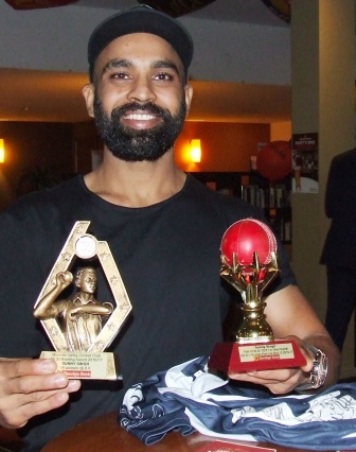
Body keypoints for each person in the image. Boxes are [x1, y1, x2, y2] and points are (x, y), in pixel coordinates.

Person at [0, 5, 340, 450]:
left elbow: (321, 346)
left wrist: (306, 368)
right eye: (120, 75)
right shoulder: (26, 225)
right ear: (90, 98)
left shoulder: (235, 226)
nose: (142, 92)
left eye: (163, 77)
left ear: (187, 97)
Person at [320, 148, 356, 351]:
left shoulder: (341, 161)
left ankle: (326, 377)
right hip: (342, 252)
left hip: (341, 251)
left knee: (335, 322)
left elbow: (330, 208)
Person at [34, 268, 113, 352]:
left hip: (95, 359)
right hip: (71, 358)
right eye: (88, 279)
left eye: (94, 280)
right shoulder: (65, 305)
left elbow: (108, 310)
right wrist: (59, 287)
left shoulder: (100, 306)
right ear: (78, 283)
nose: (92, 283)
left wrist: (79, 309)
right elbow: (39, 312)